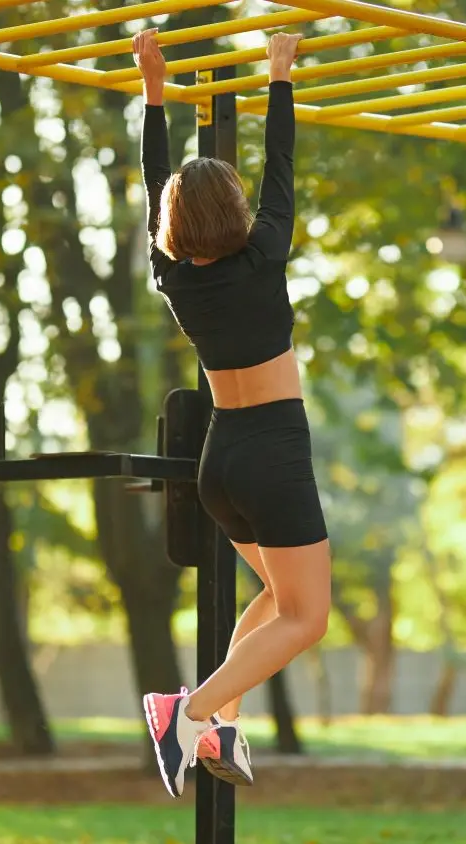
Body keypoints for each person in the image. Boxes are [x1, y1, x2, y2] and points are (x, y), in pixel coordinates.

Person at [131, 29, 331, 798]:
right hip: (274, 451)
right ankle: (186, 709)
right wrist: (278, 74)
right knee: (307, 618)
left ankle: (219, 723)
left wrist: (155, 91)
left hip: (225, 459)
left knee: (284, 599)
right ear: (237, 212)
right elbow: (279, 169)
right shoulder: (263, 253)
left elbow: (158, 186)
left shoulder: (171, 273)